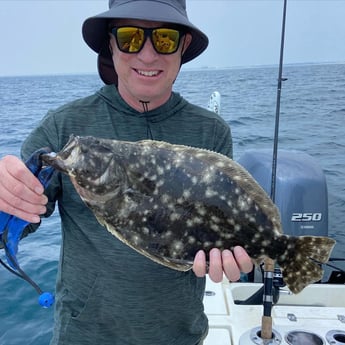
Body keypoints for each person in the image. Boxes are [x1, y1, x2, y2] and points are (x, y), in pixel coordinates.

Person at [0, 0, 252, 344]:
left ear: (184, 45)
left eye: (164, 39)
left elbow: (217, 226)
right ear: (111, 44)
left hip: (178, 335)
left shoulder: (211, 132)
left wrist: (233, 257)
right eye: (131, 38)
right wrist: (5, 196)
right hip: (85, 336)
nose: (147, 56)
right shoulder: (63, 127)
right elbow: (14, 226)